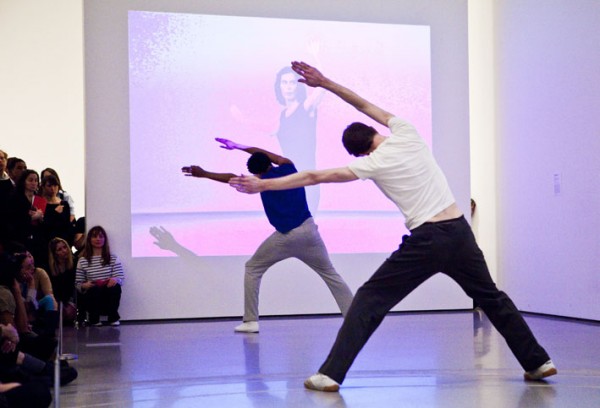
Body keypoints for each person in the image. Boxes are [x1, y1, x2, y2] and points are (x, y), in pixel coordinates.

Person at [229, 61, 556, 391]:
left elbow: (314, 176)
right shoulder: (406, 132)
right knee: (492, 297)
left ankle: (329, 374)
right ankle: (538, 361)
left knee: (370, 299)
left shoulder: (371, 164)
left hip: (427, 240)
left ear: (357, 153)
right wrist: (325, 82)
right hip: (460, 232)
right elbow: (363, 104)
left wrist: (264, 185)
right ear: (375, 133)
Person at [182, 138, 353, 333]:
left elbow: (230, 177)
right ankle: (354, 317)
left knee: (253, 268)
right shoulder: (289, 168)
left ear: (256, 172)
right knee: (331, 274)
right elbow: (269, 154)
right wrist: (239, 146)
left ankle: (250, 321)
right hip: (309, 231)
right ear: (270, 162)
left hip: (286, 237)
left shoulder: (259, 182)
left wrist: (204, 174)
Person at [75, 226, 124, 326]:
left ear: (105, 239)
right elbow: (78, 283)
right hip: (92, 295)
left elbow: (120, 278)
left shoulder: (113, 258)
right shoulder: (82, 260)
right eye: (94, 236)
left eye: (101, 236)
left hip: (108, 294)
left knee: (116, 287)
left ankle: (113, 317)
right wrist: (85, 285)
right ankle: (94, 319)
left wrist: (115, 279)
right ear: (89, 239)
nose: (98, 239)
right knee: (94, 289)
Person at [47, 238, 77, 325]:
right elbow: (52, 290)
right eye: (59, 249)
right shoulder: (50, 269)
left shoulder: (74, 263)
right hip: (58, 300)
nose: (64, 251)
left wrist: (71, 303)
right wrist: (61, 305)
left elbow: (75, 286)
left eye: (65, 247)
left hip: (72, 299)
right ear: (55, 254)